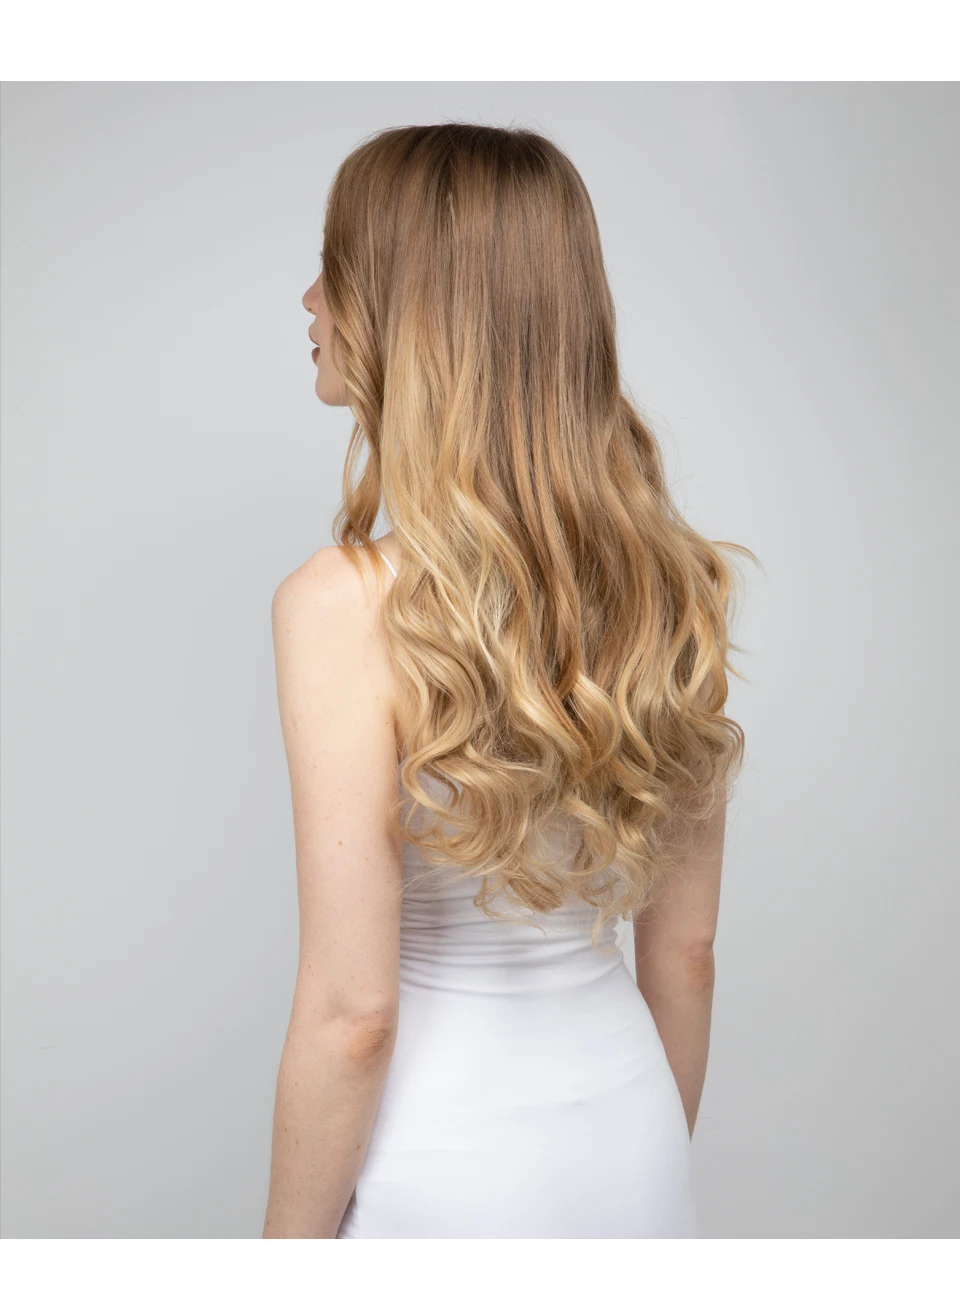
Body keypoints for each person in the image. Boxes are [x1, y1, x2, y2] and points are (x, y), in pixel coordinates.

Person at [261, 123, 754, 1240]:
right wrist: (640, 1168)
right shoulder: (673, 587)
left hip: (440, 1168)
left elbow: (353, 1015)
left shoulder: (340, 603)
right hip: (632, 1141)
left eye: (334, 266)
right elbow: (685, 956)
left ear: (409, 312)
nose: (310, 299)